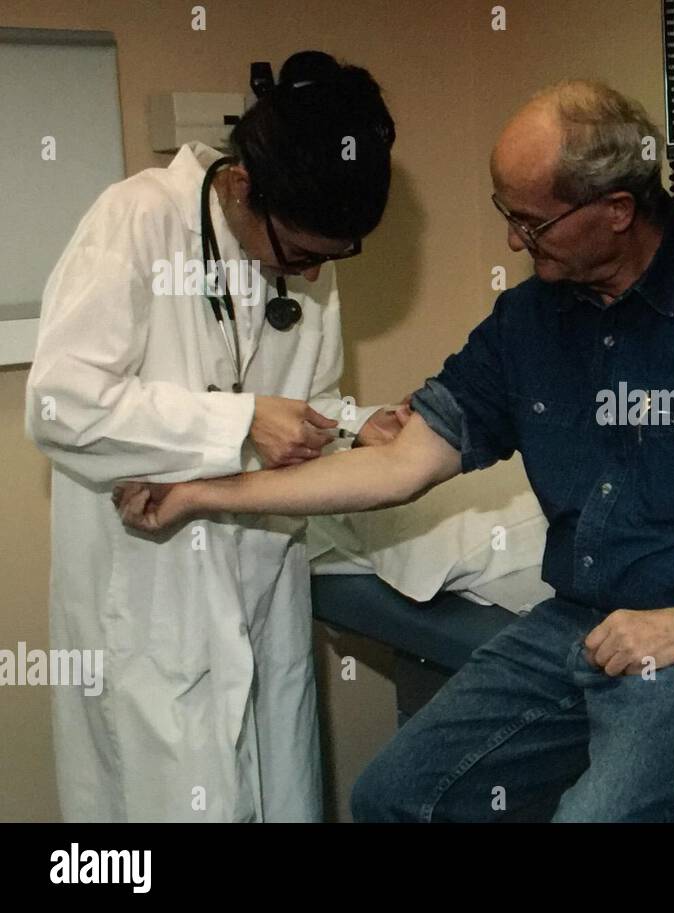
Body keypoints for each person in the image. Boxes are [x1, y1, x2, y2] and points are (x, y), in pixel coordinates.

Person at [117, 79, 674, 823]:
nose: (511, 238)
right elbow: (398, 464)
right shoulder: (530, 320)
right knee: (395, 796)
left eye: (531, 222)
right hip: (579, 622)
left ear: (617, 209)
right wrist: (201, 493)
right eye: (507, 212)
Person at [27, 51, 402, 822]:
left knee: (275, 784)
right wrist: (237, 420)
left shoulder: (309, 260)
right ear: (242, 186)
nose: (308, 277)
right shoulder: (136, 220)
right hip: (151, 597)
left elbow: (306, 401)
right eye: (300, 254)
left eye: (330, 260)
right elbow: (61, 405)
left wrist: (356, 427)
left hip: (262, 583)